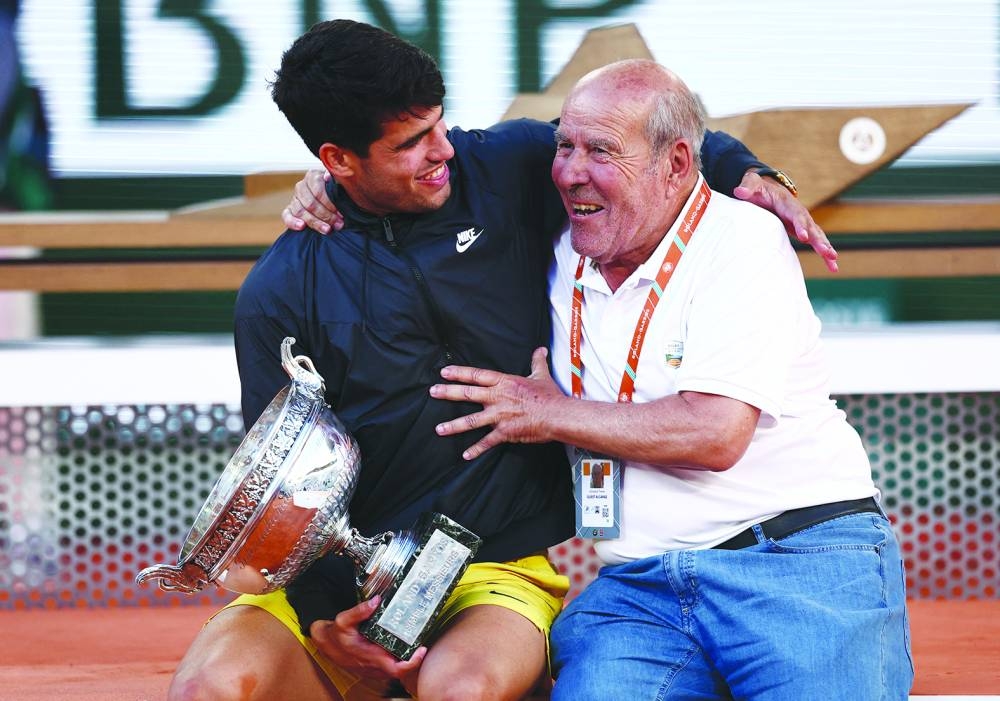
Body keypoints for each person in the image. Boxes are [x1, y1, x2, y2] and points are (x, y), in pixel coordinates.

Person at [171, 20, 834, 701]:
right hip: (336, 583)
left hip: (491, 565)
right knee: (208, 689)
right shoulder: (279, 290)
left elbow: (654, 139)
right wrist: (320, 622)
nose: (442, 152)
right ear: (337, 161)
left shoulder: (505, 164)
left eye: (439, 125)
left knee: (458, 690)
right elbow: (276, 486)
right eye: (410, 144)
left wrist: (750, 173)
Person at [427, 59, 913, 700]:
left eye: (600, 150)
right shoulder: (558, 237)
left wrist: (546, 413)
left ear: (679, 165)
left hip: (796, 561)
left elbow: (714, 433)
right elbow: (414, 167)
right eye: (565, 146)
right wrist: (329, 182)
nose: (571, 172)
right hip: (640, 589)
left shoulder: (741, 239)